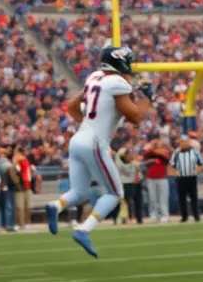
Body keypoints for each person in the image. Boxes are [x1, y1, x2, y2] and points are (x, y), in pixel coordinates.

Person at [45, 46, 154, 258]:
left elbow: (72, 108)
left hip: (79, 139)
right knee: (114, 193)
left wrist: (92, 124)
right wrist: (147, 98)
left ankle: (55, 205)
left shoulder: (94, 77)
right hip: (94, 142)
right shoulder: (117, 83)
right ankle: (84, 230)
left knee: (79, 192)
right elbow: (136, 118)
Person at [169, 134, 203, 223]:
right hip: (181, 178)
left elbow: (202, 164)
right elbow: (171, 165)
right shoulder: (176, 152)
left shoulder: (195, 151)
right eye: (182, 142)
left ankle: (196, 216)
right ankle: (184, 216)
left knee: (193, 197)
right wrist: (175, 174)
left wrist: (196, 171)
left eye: (186, 142)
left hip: (191, 177)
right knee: (182, 198)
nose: (184, 144)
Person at [143, 137, 171, 222]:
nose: (156, 144)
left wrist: (156, 149)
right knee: (152, 198)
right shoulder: (149, 153)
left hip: (162, 178)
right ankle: (154, 215)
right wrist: (152, 147)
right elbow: (144, 155)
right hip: (150, 178)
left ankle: (164, 215)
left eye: (157, 143)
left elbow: (166, 156)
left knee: (163, 198)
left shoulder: (164, 151)